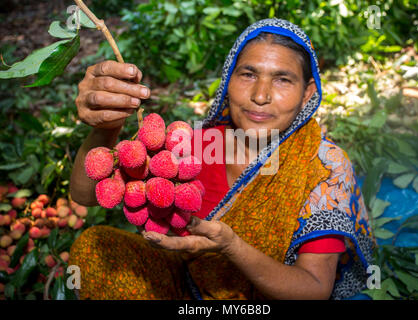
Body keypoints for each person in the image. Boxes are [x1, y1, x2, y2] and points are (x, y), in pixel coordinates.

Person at [69, 18, 375, 300]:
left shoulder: (323, 166)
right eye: (248, 74)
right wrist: (105, 129)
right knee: (96, 247)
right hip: (192, 288)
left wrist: (232, 247)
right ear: (229, 79)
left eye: (282, 79)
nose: (260, 95)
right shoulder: (199, 144)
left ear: (308, 92)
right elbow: (84, 194)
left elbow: (314, 288)